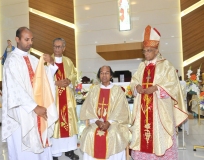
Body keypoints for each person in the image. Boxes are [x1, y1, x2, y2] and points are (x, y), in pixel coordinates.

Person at [129, 25, 188, 159]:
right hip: (144, 110)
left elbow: (173, 85)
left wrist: (156, 88)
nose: (146, 54)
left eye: (149, 51)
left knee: (159, 136)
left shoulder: (166, 65)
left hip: (159, 111)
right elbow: (134, 81)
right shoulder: (141, 66)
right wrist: (137, 87)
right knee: (143, 135)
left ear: (156, 50)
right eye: (144, 51)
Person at [2, 27, 58, 160]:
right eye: (26, 39)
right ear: (17, 39)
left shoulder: (33, 59)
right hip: (21, 111)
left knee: (40, 146)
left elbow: (44, 80)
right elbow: (15, 88)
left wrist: (51, 64)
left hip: (36, 108)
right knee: (24, 152)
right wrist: (34, 107)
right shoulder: (11, 61)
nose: (30, 43)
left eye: (32, 39)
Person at [80, 66, 130, 160]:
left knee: (115, 134)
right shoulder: (94, 90)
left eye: (107, 73)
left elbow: (120, 109)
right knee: (90, 133)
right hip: (96, 122)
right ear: (99, 75)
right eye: (102, 73)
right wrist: (97, 121)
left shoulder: (117, 90)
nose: (104, 75)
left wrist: (109, 122)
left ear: (111, 75)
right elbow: (89, 107)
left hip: (114, 123)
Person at [51, 38, 79, 160]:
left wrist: (69, 81)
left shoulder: (68, 62)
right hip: (53, 99)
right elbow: (42, 80)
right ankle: (55, 153)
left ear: (64, 48)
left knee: (69, 123)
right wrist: (56, 83)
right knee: (55, 123)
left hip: (67, 98)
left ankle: (69, 151)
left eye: (59, 46)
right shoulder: (47, 62)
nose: (57, 49)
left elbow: (74, 75)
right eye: (55, 46)